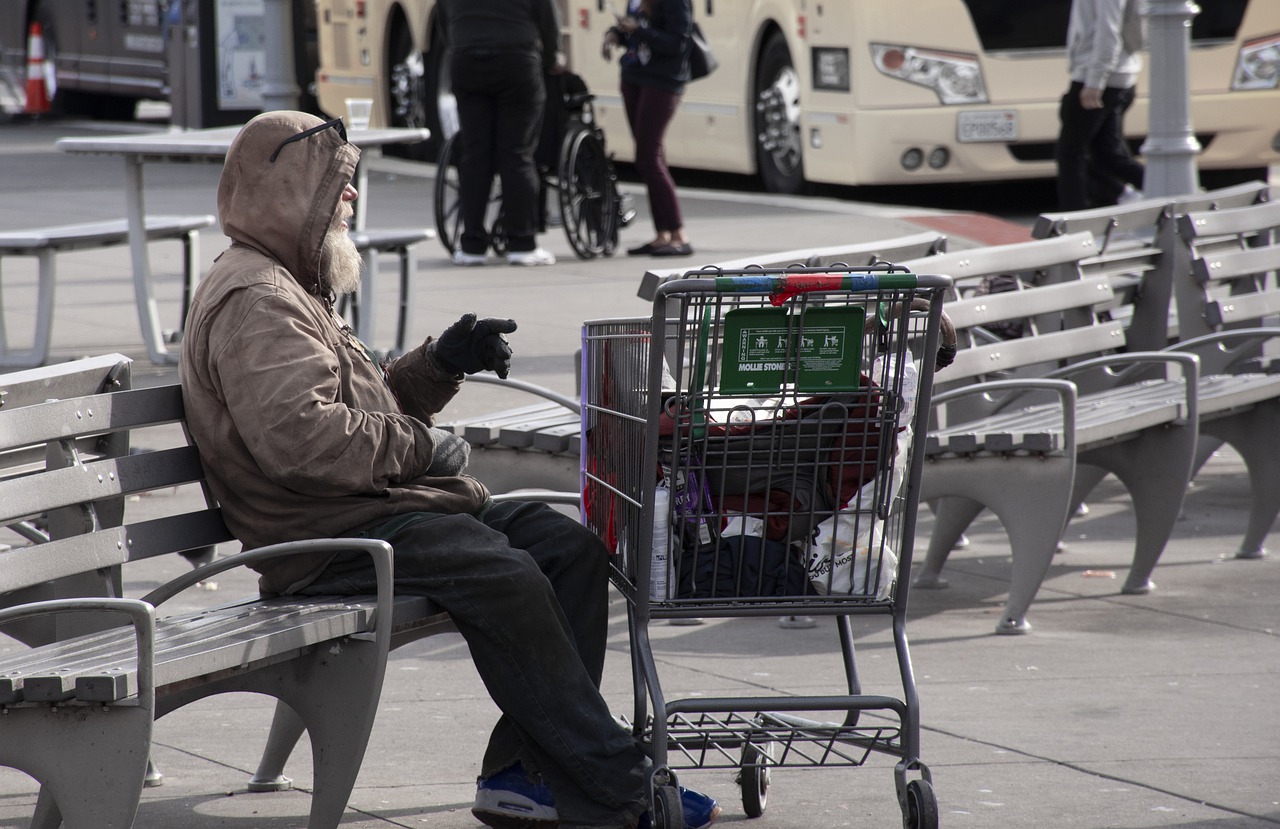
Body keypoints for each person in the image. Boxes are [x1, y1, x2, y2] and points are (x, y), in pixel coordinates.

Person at [179, 111, 720, 829]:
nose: (350, 202)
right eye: (338, 189)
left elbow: (357, 410)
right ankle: (618, 783)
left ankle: (523, 772)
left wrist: (439, 366)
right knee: (503, 571)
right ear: (289, 194)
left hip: (367, 507)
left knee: (566, 548)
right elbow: (305, 444)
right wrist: (425, 448)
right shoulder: (258, 300)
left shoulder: (290, 283)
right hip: (321, 535)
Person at [439, 0, 562, 267]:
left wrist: (462, 45)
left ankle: (472, 245)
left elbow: (443, 21)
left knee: (475, 154)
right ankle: (522, 244)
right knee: (517, 153)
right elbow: (548, 19)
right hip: (517, 60)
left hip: (467, 60)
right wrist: (552, 57)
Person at [603, 0, 695, 258]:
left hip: (662, 81)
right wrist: (615, 33)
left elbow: (678, 42)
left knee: (647, 158)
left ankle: (678, 234)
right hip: (634, 76)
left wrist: (638, 30)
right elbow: (634, 28)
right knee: (651, 158)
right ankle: (662, 233)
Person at [1054, 0, 1147, 211]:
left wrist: (1095, 81)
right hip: (1116, 76)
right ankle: (1167, 193)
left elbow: (1108, 32)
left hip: (1099, 78)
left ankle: (1073, 220)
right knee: (1107, 154)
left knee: (1070, 153)